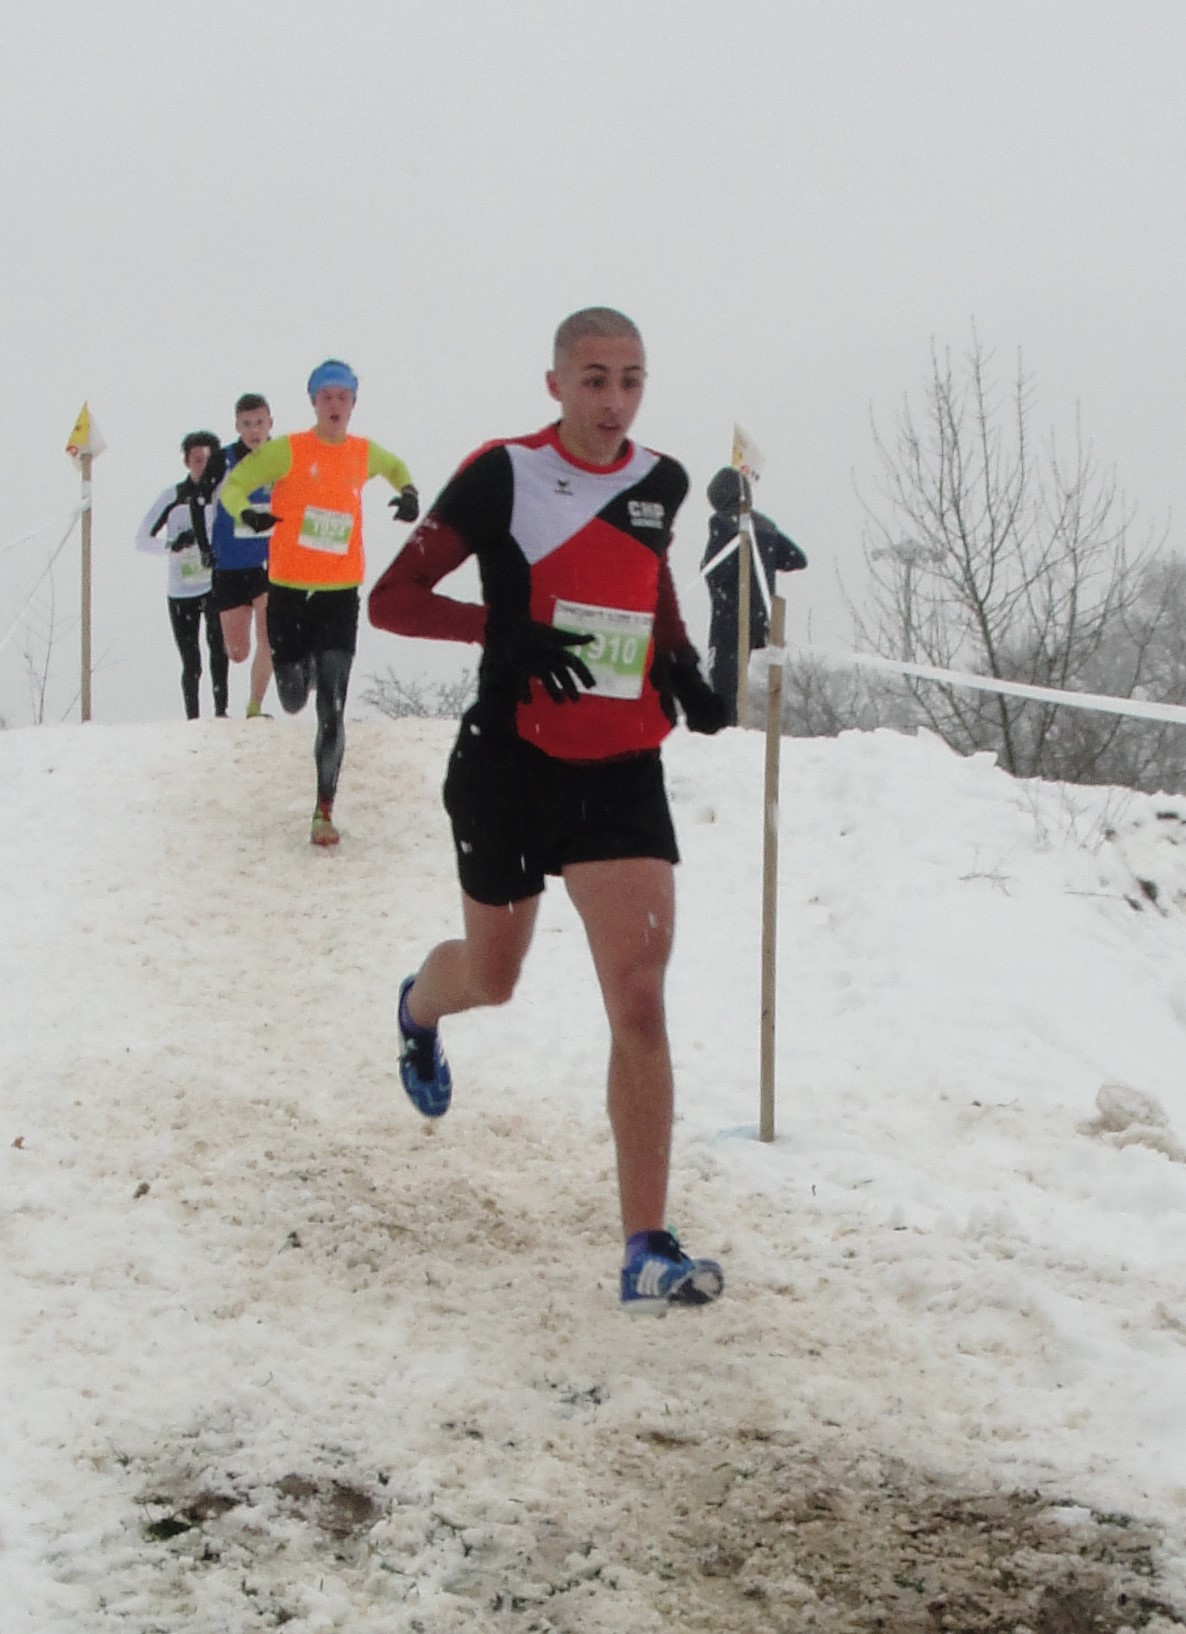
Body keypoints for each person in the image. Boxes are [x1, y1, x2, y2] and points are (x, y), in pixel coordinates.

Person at [369, 306, 729, 1316]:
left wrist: (679, 663)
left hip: (620, 766)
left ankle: (645, 1248)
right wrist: (507, 631)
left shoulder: (661, 481)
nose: (614, 401)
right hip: (510, 763)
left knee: (639, 996)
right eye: (595, 379)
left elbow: (649, 581)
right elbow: (393, 599)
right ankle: (418, 1009)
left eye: (631, 380)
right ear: (557, 383)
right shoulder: (504, 473)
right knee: (494, 978)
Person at [219, 360, 419, 846]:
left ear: (353, 404)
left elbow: (395, 467)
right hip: (289, 593)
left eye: (342, 397)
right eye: (326, 396)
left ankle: (323, 811)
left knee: (332, 707)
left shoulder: (362, 453)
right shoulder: (287, 450)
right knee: (292, 698)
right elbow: (233, 486)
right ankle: (302, 671)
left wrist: (409, 492)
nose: (335, 404)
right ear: (313, 403)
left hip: (339, 595)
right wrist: (246, 512)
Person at [700, 467, 807, 724]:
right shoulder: (765, 525)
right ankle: (737, 727)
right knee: (746, 683)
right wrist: (766, 555)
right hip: (761, 619)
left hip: (730, 616)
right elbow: (797, 559)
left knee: (722, 684)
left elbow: (714, 570)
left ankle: (725, 732)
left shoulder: (722, 522)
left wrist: (726, 562)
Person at [135, 431, 229, 721]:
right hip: (181, 591)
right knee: (191, 661)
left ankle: (221, 712)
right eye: (197, 460)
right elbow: (141, 539)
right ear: (187, 462)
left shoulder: (225, 495)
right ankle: (193, 719)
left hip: (214, 585)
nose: (203, 466)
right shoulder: (172, 497)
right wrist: (172, 545)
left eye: (209, 460)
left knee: (219, 649)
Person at [204, 392, 276, 719]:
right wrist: (204, 547)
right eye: (246, 424)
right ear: (237, 426)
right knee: (237, 652)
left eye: (259, 423)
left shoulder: (281, 458)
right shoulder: (222, 460)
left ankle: (254, 706)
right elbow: (200, 503)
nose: (254, 431)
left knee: (268, 636)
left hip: (267, 563)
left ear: (270, 423)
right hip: (230, 565)